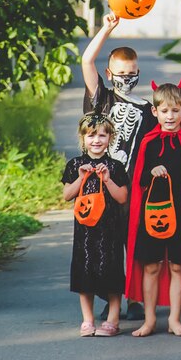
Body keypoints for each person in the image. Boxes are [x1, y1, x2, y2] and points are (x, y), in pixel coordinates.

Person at [125, 80, 181, 337]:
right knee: (151, 266)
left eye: (175, 110)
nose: (170, 116)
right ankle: (150, 319)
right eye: (164, 111)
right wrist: (150, 171)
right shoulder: (148, 142)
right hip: (151, 214)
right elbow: (139, 179)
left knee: (178, 266)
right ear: (155, 112)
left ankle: (175, 319)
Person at [82, 13, 157, 321]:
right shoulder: (101, 99)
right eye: (121, 72)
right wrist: (107, 29)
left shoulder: (147, 109)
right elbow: (87, 61)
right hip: (101, 185)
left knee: (134, 244)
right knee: (106, 246)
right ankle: (110, 297)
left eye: (132, 72)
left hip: (133, 185)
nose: (127, 77)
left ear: (139, 72)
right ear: (110, 73)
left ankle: (136, 298)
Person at [62, 112, 129, 337]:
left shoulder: (116, 166)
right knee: (84, 271)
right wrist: (81, 178)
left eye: (102, 135)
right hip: (85, 231)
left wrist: (108, 179)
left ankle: (113, 319)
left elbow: (122, 198)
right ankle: (88, 320)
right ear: (83, 138)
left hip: (110, 230)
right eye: (91, 136)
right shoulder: (75, 165)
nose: (96, 140)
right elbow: (66, 195)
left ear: (111, 137)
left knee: (112, 270)